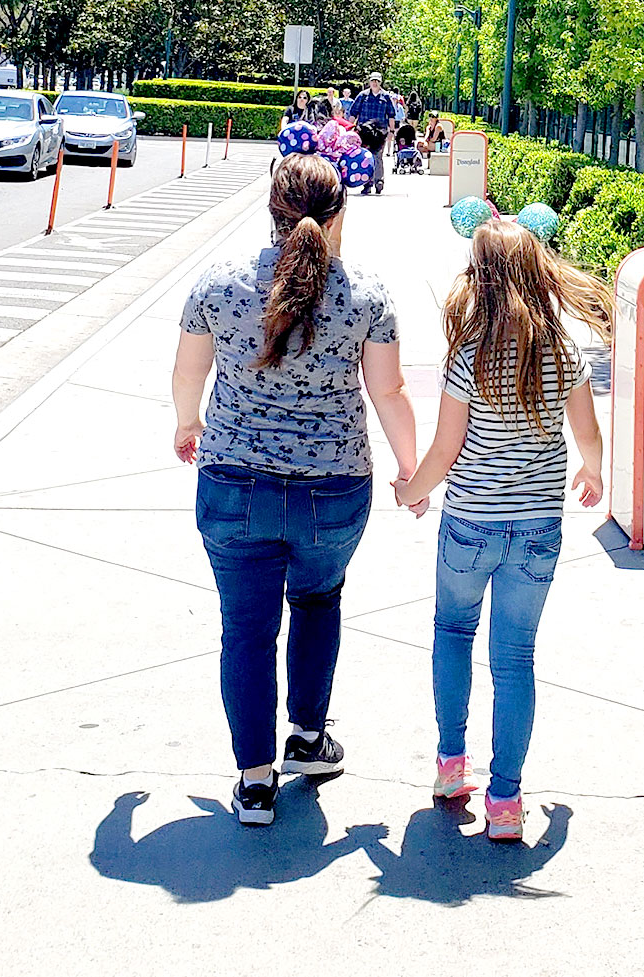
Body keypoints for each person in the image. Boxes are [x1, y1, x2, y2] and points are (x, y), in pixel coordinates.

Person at [172, 153, 418, 827]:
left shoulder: (219, 281)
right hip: (334, 490)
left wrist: (187, 422)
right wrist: (410, 470)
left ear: (270, 210)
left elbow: (188, 371)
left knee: (246, 631)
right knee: (317, 599)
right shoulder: (365, 292)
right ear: (339, 212)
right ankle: (308, 739)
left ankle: (254, 783)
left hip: (233, 483)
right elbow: (389, 391)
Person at [394, 220, 612, 841]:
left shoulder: (469, 356)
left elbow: (444, 447)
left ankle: (450, 767)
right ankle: (507, 801)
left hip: (470, 525)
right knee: (515, 658)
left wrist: (413, 491)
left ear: (480, 280)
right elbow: (588, 433)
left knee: (453, 633)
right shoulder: (564, 353)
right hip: (538, 529)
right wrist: (591, 470)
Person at [349, 71, 396, 195]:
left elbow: (391, 115)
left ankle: (378, 181)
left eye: (377, 81)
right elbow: (353, 113)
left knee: (378, 157)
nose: (375, 83)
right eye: (373, 81)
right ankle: (366, 183)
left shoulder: (386, 97)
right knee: (364, 157)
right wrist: (348, 128)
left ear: (381, 83)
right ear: (369, 82)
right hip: (363, 132)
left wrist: (391, 131)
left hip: (380, 132)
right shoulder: (362, 96)